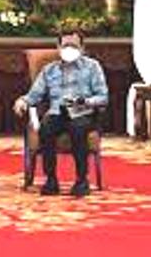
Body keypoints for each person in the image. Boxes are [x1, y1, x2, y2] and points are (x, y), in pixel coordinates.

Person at [14, 30, 108, 197]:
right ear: (58, 48)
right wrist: (23, 101)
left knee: (78, 129)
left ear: (82, 48)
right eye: (65, 45)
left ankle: (81, 180)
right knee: (46, 128)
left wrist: (84, 102)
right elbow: (34, 95)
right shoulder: (49, 70)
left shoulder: (92, 67)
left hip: (83, 112)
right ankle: (51, 179)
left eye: (74, 46)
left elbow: (102, 97)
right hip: (58, 112)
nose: (69, 49)